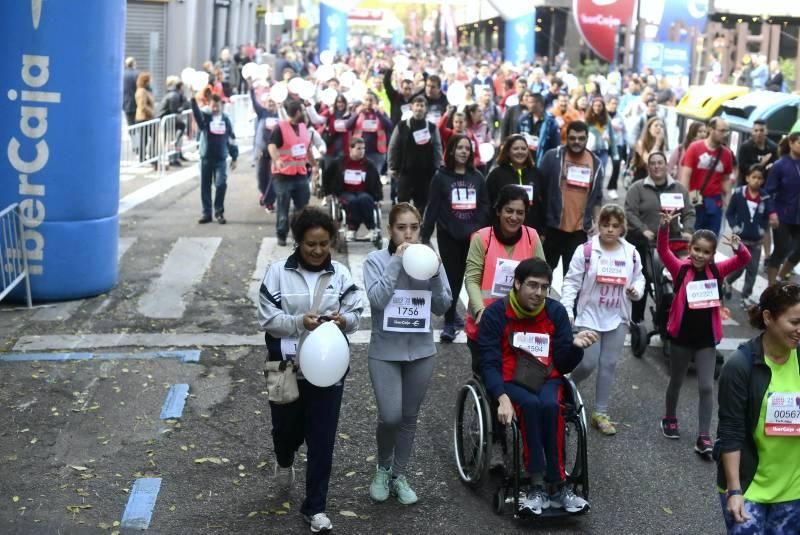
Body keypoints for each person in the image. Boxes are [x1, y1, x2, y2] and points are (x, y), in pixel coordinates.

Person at [257, 207, 364, 534]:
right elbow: (267, 318)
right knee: (284, 428)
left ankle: (315, 507)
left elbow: (356, 314)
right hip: (283, 366)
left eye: (324, 244)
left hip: (329, 369)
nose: (318, 251)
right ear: (297, 243)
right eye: (310, 245)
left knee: (322, 438)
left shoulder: (341, 275)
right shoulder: (276, 273)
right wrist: (297, 322)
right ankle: (285, 458)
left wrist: (344, 320)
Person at [479, 257, 598, 516]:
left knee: (550, 406)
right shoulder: (495, 314)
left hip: (547, 377)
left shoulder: (555, 312)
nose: (539, 293)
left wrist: (576, 348)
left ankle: (558, 483)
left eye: (544, 287)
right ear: (517, 283)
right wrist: (500, 397)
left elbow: (564, 363)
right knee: (531, 405)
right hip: (511, 380)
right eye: (532, 286)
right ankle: (535, 485)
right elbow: (488, 361)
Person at [363, 203, 452, 505]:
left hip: (421, 353)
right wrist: (396, 263)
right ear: (391, 230)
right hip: (385, 352)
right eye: (402, 227)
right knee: (390, 416)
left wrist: (437, 271)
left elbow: (443, 305)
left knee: (409, 417)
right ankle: (382, 467)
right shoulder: (376, 260)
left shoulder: (428, 260)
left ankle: (399, 474)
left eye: (414, 227)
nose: (409, 234)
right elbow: (376, 300)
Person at [656, 212, 751, 458]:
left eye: (706, 252)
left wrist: (739, 247)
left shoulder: (718, 271)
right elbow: (663, 251)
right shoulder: (680, 268)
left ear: (712, 254)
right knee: (676, 381)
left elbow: (744, 259)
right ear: (690, 249)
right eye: (696, 249)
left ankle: (703, 436)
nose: (700, 255)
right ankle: (669, 417)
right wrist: (664, 228)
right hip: (681, 337)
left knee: (707, 387)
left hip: (706, 339)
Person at [716, 281, 800, 533]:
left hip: (793, 491)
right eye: (794, 322)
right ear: (768, 317)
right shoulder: (740, 366)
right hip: (747, 487)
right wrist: (734, 490)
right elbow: (731, 431)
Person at [562, 205, 644, 437]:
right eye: (605, 225)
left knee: (608, 364)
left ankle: (601, 412)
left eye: (615, 226)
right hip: (590, 315)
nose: (609, 230)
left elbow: (640, 278)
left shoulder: (631, 253)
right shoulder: (586, 251)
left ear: (622, 228)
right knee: (588, 363)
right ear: (598, 225)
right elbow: (571, 282)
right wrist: (568, 308)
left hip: (617, 316)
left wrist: (635, 292)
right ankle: (567, 386)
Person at [464, 185, 546, 370]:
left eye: (520, 212)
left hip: (521, 321)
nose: (514, 217)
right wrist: (480, 311)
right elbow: (472, 279)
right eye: (509, 211)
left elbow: (542, 275)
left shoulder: (532, 237)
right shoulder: (482, 238)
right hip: (486, 322)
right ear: (499, 210)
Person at [421, 135, 490, 342]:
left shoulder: (477, 177)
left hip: (473, 236)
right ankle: (449, 322)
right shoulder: (440, 177)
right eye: (459, 147)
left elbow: (484, 205)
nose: (463, 151)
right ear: (451, 150)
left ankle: (465, 315)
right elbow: (432, 206)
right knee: (452, 278)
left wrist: (479, 227)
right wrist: (425, 235)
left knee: (472, 277)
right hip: (449, 234)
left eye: (467, 148)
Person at [625, 152, 695, 324]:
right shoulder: (637, 188)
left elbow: (689, 212)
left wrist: (687, 230)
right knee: (644, 277)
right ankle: (637, 318)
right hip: (643, 242)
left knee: (677, 276)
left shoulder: (679, 188)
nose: (656, 166)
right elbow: (629, 212)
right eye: (653, 163)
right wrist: (643, 229)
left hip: (672, 242)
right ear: (648, 167)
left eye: (660, 163)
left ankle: (676, 314)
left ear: (666, 165)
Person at [540, 121, 605, 276]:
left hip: (579, 231)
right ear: (566, 138)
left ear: (587, 138)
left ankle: (568, 302)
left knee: (573, 278)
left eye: (581, 138)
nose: (577, 142)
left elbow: (597, 198)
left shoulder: (595, 163)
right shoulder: (552, 157)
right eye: (572, 138)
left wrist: (597, 223)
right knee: (542, 274)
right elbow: (540, 191)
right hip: (552, 228)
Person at [268, 100, 315, 246]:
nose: (305, 113)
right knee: (283, 207)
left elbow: (307, 149)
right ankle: (281, 234)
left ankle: (299, 235)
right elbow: (272, 146)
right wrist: (277, 160)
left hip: (300, 174)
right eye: (303, 110)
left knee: (302, 208)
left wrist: (314, 165)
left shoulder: (303, 127)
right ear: (297, 113)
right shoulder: (280, 128)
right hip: (283, 175)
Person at [679, 117, 735, 235]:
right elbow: (685, 176)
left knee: (711, 238)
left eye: (727, 131)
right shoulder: (694, 147)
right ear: (711, 129)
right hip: (694, 197)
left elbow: (725, 180)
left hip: (714, 201)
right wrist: (684, 201)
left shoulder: (727, 154)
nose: (725, 134)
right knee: (692, 236)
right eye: (722, 131)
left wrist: (728, 200)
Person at [724, 165, 769, 307]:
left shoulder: (765, 197)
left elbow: (767, 216)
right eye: (754, 177)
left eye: (760, 178)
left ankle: (745, 296)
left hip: (756, 241)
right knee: (739, 267)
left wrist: (763, 229)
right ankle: (727, 281)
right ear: (747, 178)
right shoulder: (738, 194)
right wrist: (735, 227)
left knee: (753, 269)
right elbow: (729, 213)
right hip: (740, 239)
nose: (756, 181)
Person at [387, 95, 443, 209]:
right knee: (403, 205)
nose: (419, 108)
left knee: (422, 206)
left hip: (425, 174)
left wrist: (438, 167)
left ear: (426, 108)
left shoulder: (432, 128)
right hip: (405, 172)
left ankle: (419, 226)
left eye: (422, 105)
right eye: (417, 105)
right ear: (412, 107)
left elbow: (437, 147)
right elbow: (393, 146)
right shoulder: (401, 126)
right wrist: (392, 166)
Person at [323, 137, 382, 241]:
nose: (362, 151)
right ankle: (352, 229)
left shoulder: (368, 164)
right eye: (359, 149)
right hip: (345, 192)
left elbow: (377, 182)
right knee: (352, 201)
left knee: (365, 200)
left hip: (363, 191)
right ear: (351, 149)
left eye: (363, 149)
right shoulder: (339, 163)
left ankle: (372, 228)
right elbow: (327, 176)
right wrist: (327, 193)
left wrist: (379, 198)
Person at [190, 94, 238, 224]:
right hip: (206, 157)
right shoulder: (205, 117)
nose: (215, 108)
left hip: (221, 158)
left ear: (222, 106)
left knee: (220, 184)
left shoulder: (226, 119)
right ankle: (206, 213)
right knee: (205, 186)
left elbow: (231, 138)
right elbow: (197, 116)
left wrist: (234, 156)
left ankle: (219, 212)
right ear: (209, 105)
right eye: (213, 106)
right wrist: (193, 101)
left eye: (218, 106)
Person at [485, 135, 547, 234]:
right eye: (516, 148)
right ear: (508, 151)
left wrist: (543, 231)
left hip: (531, 233)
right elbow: (488, 204)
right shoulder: (496, 174)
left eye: (523, 148)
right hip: (501, 232)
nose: (520, 152)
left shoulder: (537, 174)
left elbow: (544, 205)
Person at [765, 132, 800, 284]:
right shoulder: (780, 165)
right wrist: (772, 213)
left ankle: (780, 277)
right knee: (781, 249)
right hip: (782, 214)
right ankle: (771, 287)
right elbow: (768, 192)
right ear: (791, 143)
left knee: (798, 251)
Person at [250, 83, 280, 212]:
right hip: (262, 151)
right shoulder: (262, 113)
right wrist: (251, 88)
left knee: (273, 177)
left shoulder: (280, 115)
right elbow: (253, 101)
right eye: (269, 102)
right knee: (261, 176)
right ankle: (264, 193)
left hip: (276, 151)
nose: (271, 104)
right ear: (265, 104)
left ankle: (269, 201)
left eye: (273, 102)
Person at [346, 92, 393, 175]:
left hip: (377, 152)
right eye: (366, 100)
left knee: (374, 176)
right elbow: (348, 126)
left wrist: (378, 113)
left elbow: (389, 126)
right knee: (359, 175)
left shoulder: (381, 112)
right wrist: (357, 113)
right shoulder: (358, 112)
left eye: (371, 100)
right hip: (359, 151)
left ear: (375, 102)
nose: (368, 103)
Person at [515, 92, 561, 167]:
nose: (528, 104)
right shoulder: (523, 119)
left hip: (542, 162)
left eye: (531, 102)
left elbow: (555, 147)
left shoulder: (551, 123)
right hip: (524, 160)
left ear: (540, 104)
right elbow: (516, 137)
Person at [584, 96, 618, 188]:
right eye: (595, 105)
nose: (597, 108)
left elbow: (612, 137)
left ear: (603, 107)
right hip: (590, 151)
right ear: (592, 106)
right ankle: (590, 194)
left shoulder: (607, 120)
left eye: (599, 106)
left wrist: (615, 153)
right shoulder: (587, 119)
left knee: (601, 173)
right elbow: (583, 135)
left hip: (603, 151)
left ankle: (599, 195)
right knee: (590, 174)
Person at [157, 76, 190, 167]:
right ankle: (172, 159)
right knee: (172, 140)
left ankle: (175, 156)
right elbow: (173, 110)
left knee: (174, 139)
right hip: (167, 121)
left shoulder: (175, 94)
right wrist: (181, 109)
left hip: (168, 120)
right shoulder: (174, 95)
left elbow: (184, 105)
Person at [736, 120, 778, 185]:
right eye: (756, 130)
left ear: (766, 131)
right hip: (747, 185)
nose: (759, 133)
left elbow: (775, 167)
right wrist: (761, 164)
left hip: (765, 185)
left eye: (761, 130)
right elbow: (743, 168)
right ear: (752, 132)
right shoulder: (745, 147)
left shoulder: (773, 147)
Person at [628, 117, 668, 183]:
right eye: (656, 125)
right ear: (649, 129)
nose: (659, 128)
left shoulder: (661, 143)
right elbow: (649, 160)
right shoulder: (640, 143)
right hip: (641, 178)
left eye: (661, 126)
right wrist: (657, 143)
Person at [134, 72, 157, 170]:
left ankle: (144, 157)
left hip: (145, 118)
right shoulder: (142, 91)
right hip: (144, 118)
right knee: (149, 138)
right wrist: (152, 113)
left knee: (146, 139)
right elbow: (142, 106)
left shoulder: (142, 90)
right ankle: (149, 157)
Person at [606, 95, 627, 199]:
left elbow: (624, 131)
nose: (614, 106)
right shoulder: (603, 115)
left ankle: (612, 188)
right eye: (612, 103)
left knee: (616, 164)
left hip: (617, 144)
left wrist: (625, 145)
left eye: (616, 104)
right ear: (607, 104)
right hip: (604, 144)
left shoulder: (620, 116)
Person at [122, 57, 139, 126]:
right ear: (134, 63)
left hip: (126, 103)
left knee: (130, 124)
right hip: (137, 102)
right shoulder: (138, 74)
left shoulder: (122, 74)